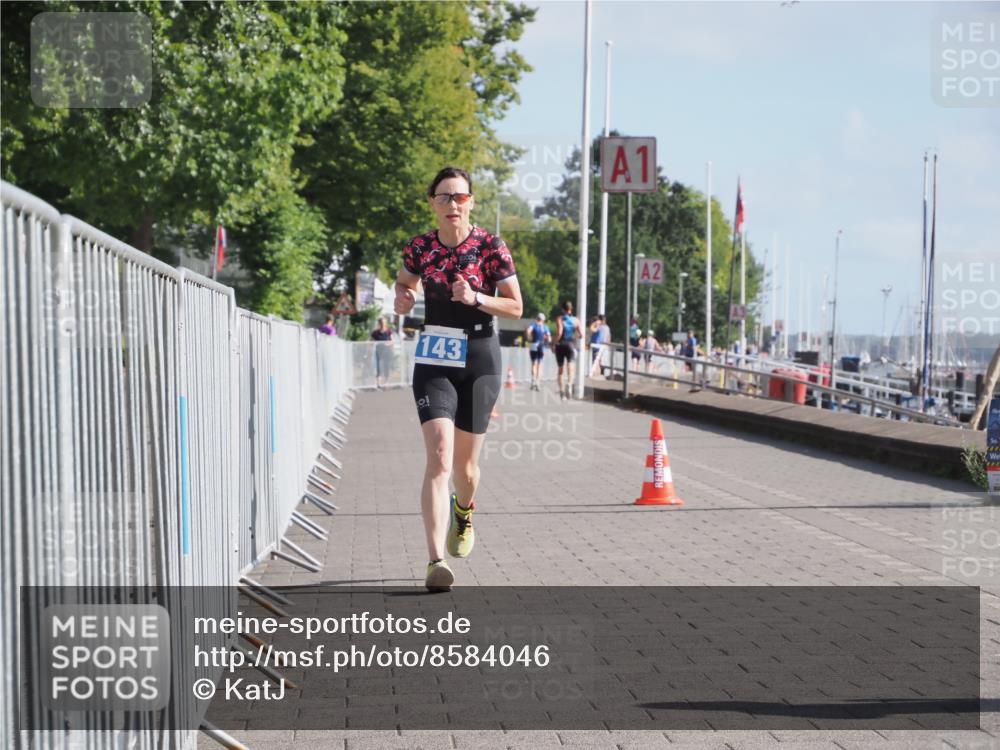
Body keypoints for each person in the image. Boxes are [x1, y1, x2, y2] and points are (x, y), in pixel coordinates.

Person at [393, 166, 522, 592]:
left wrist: (477, 298)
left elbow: (516, 307)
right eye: (445, 197)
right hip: (435, 357)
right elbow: (405, 283)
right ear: (432, 203)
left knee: (466, 469)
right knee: (441, 456)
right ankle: (434, 562)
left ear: (471, 202)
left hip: (481, 356)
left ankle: (464, 511)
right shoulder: (419, 247)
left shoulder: (490, 247)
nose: (453, 204)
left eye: (460, 197)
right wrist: (403, 296)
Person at [554, 300, 581, 401]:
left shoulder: (560, 319)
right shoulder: (576, 320)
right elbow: (581, 334)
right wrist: (575, 336)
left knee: (560, 370)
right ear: (571, 309)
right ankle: (569, 384)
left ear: (562, 309)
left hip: (560, 345)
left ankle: (562, 392)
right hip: (571, 345)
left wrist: (554, 343)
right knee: (571, 367)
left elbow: (560, 332)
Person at [526, 312, 551, 391]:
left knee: (533, 363)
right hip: (541, 346)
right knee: (540, 365)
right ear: (543, 320)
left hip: (533, 345)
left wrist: (529, 338)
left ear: (537, 318)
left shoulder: (533, 325)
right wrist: (547, 341)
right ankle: (538, 382)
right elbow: (549, 338)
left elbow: (528, 331)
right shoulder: (545, 327)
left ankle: (533, 381)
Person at [371, 317, 394, 388]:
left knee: (386, 366)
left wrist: (387, 344)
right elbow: (371, 341)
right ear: (379, 323)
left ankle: (386, 383)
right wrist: (375, 343)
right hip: (378, 352)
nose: (382, 324)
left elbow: (392, 341)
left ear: (385, 323)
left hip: (386, 352)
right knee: (378, 367)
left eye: (383, 323)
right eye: (381, 323)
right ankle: (378, 383)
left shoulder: (388, 332)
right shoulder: (375, 333)